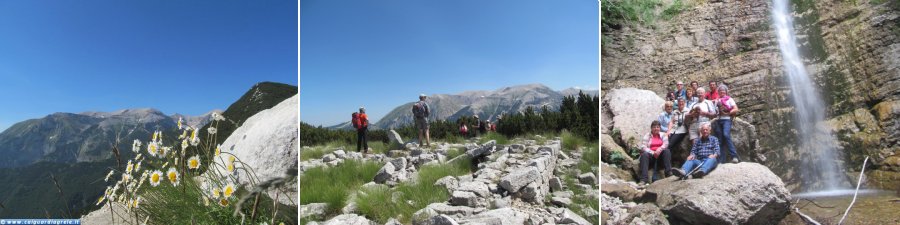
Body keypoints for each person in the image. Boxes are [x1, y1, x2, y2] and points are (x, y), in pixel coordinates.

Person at [715, 84, 741, 163]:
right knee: (720, 139)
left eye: (723, 91)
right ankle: (721, 160)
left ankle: (735, 156)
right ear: (718, 92)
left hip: (727, 120)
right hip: (719, 120)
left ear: (726, 92)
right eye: (720, 91)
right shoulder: (717, 100)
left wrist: (728, 113)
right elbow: (715, 111)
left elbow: (736, 109)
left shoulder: (729, 99)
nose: (722, 92)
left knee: (726, 135)